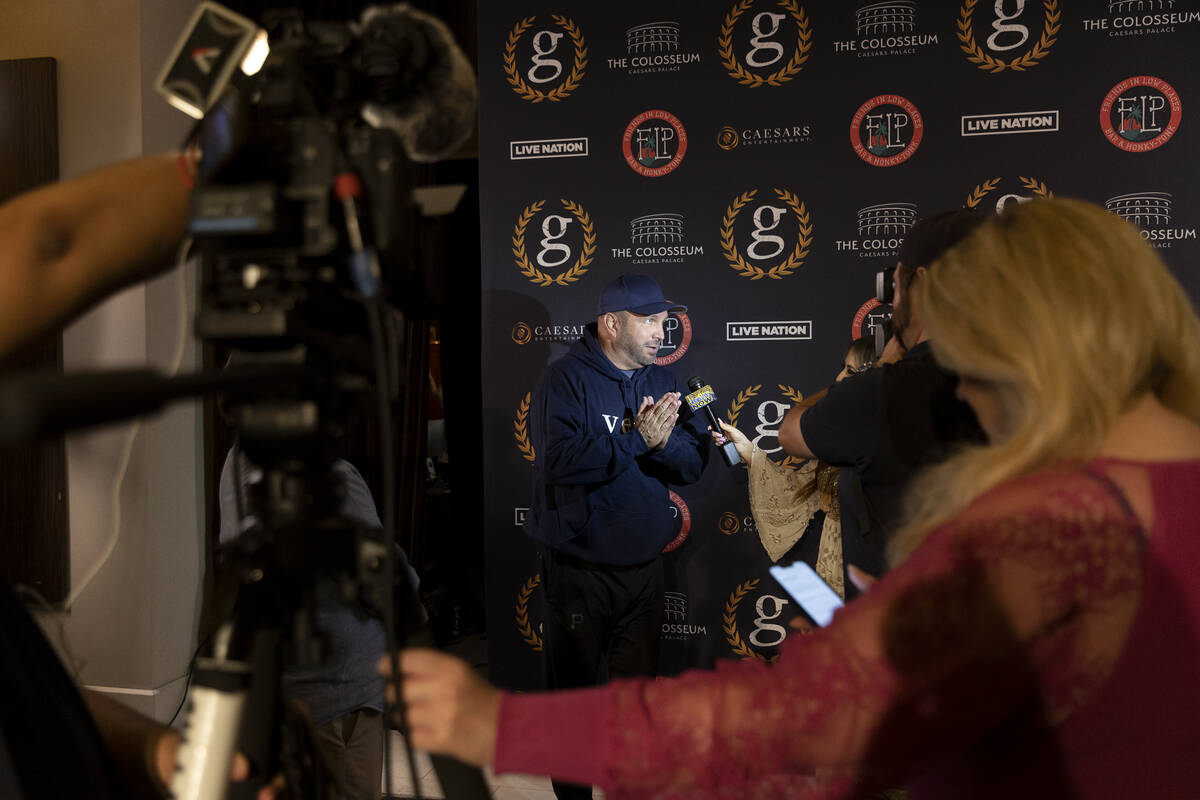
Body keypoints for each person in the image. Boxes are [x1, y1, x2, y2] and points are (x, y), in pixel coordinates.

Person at [391, 197, 1200, 798]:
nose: (954, 390)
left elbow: (787, 719)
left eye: (951, 358)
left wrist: (493, 725)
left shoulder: (1041, 531)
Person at [522, 273, 709, 799]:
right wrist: (635, 440)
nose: (661, 332)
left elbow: (693, 462)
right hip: (578, 568)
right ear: (610, 324)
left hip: (644, 569)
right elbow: (557, 462)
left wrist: (657, 445)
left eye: (665, 321)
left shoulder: (663, 380)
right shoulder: (565, 380)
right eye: (649, 320)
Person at [776, 210, 987, 594]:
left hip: (903, 630)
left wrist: (883, 370)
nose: (894, 301)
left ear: (922, 284)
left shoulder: (886, 391)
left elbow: (791, 432)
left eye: (897, 285)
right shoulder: (1040, 378)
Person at [712, 336, 879, 599]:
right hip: (833, 560)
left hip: (876, 566)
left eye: (849, 371)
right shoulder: (838, 434)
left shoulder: (893, 436)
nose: (838, 378)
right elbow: (798, 486)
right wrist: (749, 450)